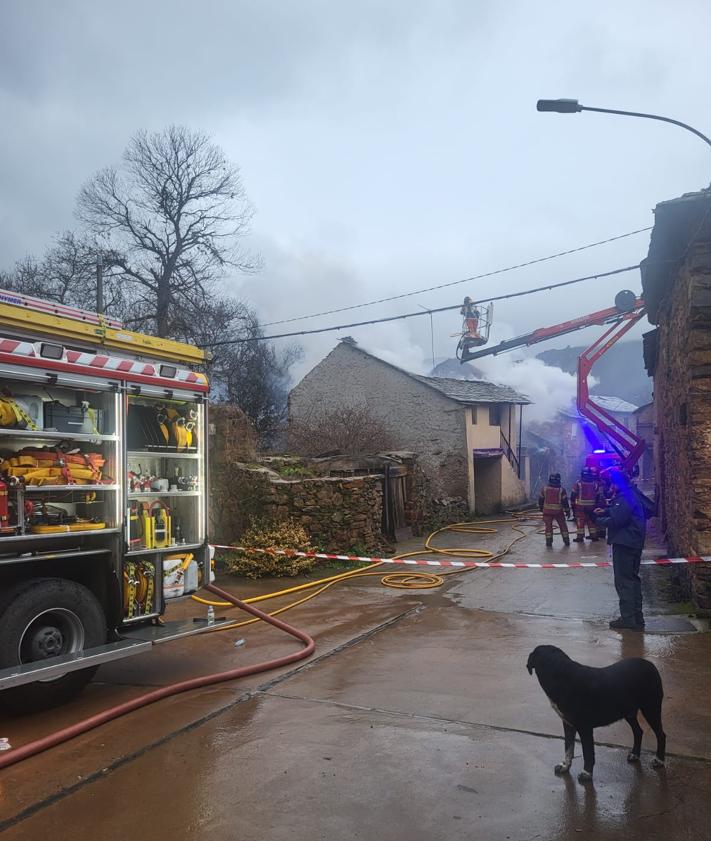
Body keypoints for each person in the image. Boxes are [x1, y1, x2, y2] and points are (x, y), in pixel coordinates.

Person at [591, 468, 646, 631]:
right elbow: (619, 512)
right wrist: (606, 510)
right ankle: (637, 618)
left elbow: (616, 520)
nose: (611, 486)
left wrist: (597, 520)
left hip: (625, 543)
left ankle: (628, 619)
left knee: (624, 581)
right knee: (633, 580)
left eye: (613, 483)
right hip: (632, 542)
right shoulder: (630, 494)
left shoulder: (625, 497)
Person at [570, 467, 603, 543]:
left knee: (580, 521)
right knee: (591, 520)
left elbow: (573, 494)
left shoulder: (578, 483)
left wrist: (572, 505)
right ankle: (594, 536)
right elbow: (598, 495)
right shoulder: (595, 483)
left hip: (580, 506)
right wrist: (596, 504)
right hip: (591, 506)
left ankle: (580, 537)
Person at [538, 473, 570, 548]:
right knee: (563, 525)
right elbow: (565, 501)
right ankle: (566, 541)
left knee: (548, 526)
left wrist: (541, 508)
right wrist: (567, 510)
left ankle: (548, 542)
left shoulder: (544, 488)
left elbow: (541, 499)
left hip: (547, 512)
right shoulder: (562, 490)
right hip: (559, 512)